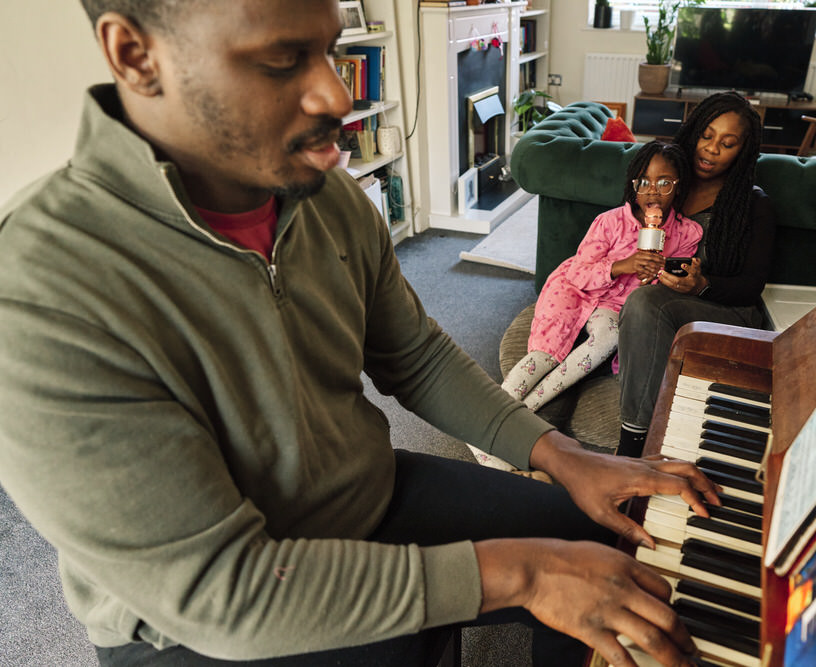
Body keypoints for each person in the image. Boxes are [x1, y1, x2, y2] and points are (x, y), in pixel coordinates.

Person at [0, 2, 723, 666]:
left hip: (364, 498)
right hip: (204, 616)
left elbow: (413, 353)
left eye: (331, 49)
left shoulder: (327, 196)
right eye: (283, 59)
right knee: (543, 568)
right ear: (135, 55)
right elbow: (220, 589)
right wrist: (522, 572)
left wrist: (559, 452)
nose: (337, 97)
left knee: (611, 537)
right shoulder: (42, 288)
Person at [616, 91, 777, 456]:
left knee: (646, 304)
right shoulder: (668, 185)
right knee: (640, 302)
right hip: (660, 299)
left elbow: (752, 287)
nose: (711, 149)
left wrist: (703, 285)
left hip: (723, 309)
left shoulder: (753, 204)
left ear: (743, 151)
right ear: (692, 131)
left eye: (728, 142)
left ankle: (633, 446)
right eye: (707, 135)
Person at [501, 141, 701, 412]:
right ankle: (498, 410)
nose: (653, 191)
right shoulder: (609, 222)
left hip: (614, 307)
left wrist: (667, 275)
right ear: (634, 185)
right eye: (644, 182)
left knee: (609, 337)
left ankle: (525, 410)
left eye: (664, 183)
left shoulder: (687, 233)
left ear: (679, 186)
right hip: (574, 290)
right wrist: (623, 265)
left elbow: (663, 293)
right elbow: (579, 272)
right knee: (545, 354)